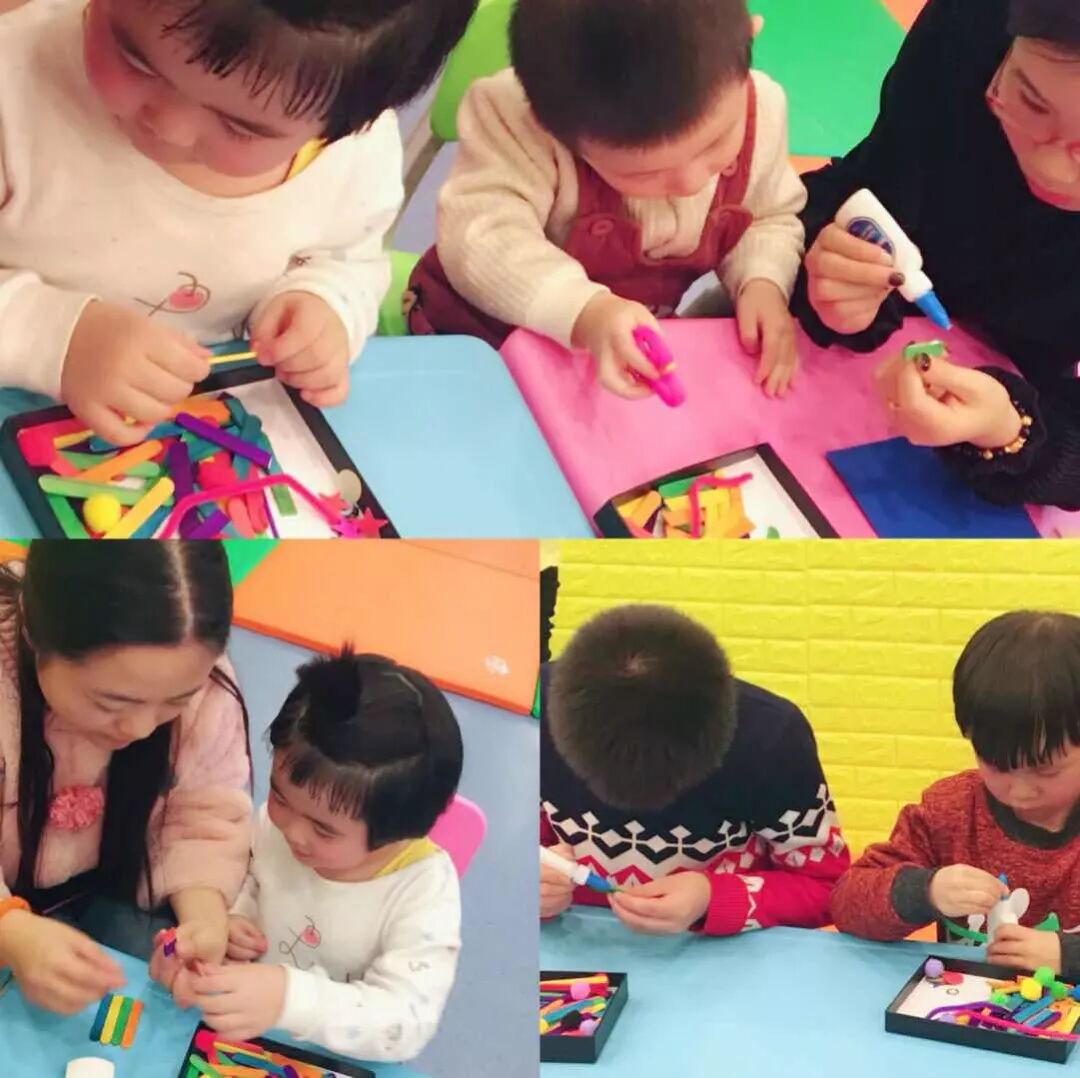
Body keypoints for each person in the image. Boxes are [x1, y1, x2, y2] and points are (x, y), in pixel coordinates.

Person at [0, 0, 476, 444]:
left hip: (187, 443)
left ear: (342, 125)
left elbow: (348, 260)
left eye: (240, 127)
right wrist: (57, 339)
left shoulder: (352, 159)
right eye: (135, 60)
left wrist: (323, 303)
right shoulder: (15, 86)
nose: (169, 126)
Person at [406, 0, 805, 398]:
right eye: (643, 174)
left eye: (716, 143)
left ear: (747, 42)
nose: (692, 182)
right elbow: (481, 240)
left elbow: (768, 215)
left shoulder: (761, 109)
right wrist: (585, 310)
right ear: (547, 125)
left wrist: (762, 280)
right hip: (475, 345)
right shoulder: (519, 121)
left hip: (595, 376)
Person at [792, 0, 1080, 508]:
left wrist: (1015, 431)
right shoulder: (972, 25)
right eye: (1031, 103)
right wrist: (830, 268)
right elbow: (868, 185)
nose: (1051, 168)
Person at [0, 541, 251, 1016]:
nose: (139, 729)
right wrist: (10, 929)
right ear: (33, 628)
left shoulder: (197, 682)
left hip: (109, 888)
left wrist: (203, 915)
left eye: (176, 700)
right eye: (110, 703)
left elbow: (203, 810)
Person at [174, 650, 463, 1062]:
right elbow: (251, 874)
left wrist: (289, 998)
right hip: (242, 1045)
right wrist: (234, 918)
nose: (291, 830)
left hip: (336, 1059)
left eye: (324, 829)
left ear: (396, 833)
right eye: (279, 796)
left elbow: (406, 1022)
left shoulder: (423, 889)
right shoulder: (284, 825)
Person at [540, 604, 850, 936]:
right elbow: (505, 850)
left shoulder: (772, 738)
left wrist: (713, 897)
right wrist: (521, 881)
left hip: (723, 953)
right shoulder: (528, 714)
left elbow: (828, 887)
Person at [831, 611, 1080, 979]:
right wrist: (925, 891)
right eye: (996, 764)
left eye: (1045, 770)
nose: (1019, 789)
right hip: (966, 1005)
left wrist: (1068, 955)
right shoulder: (950, 811)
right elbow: (847, 902)